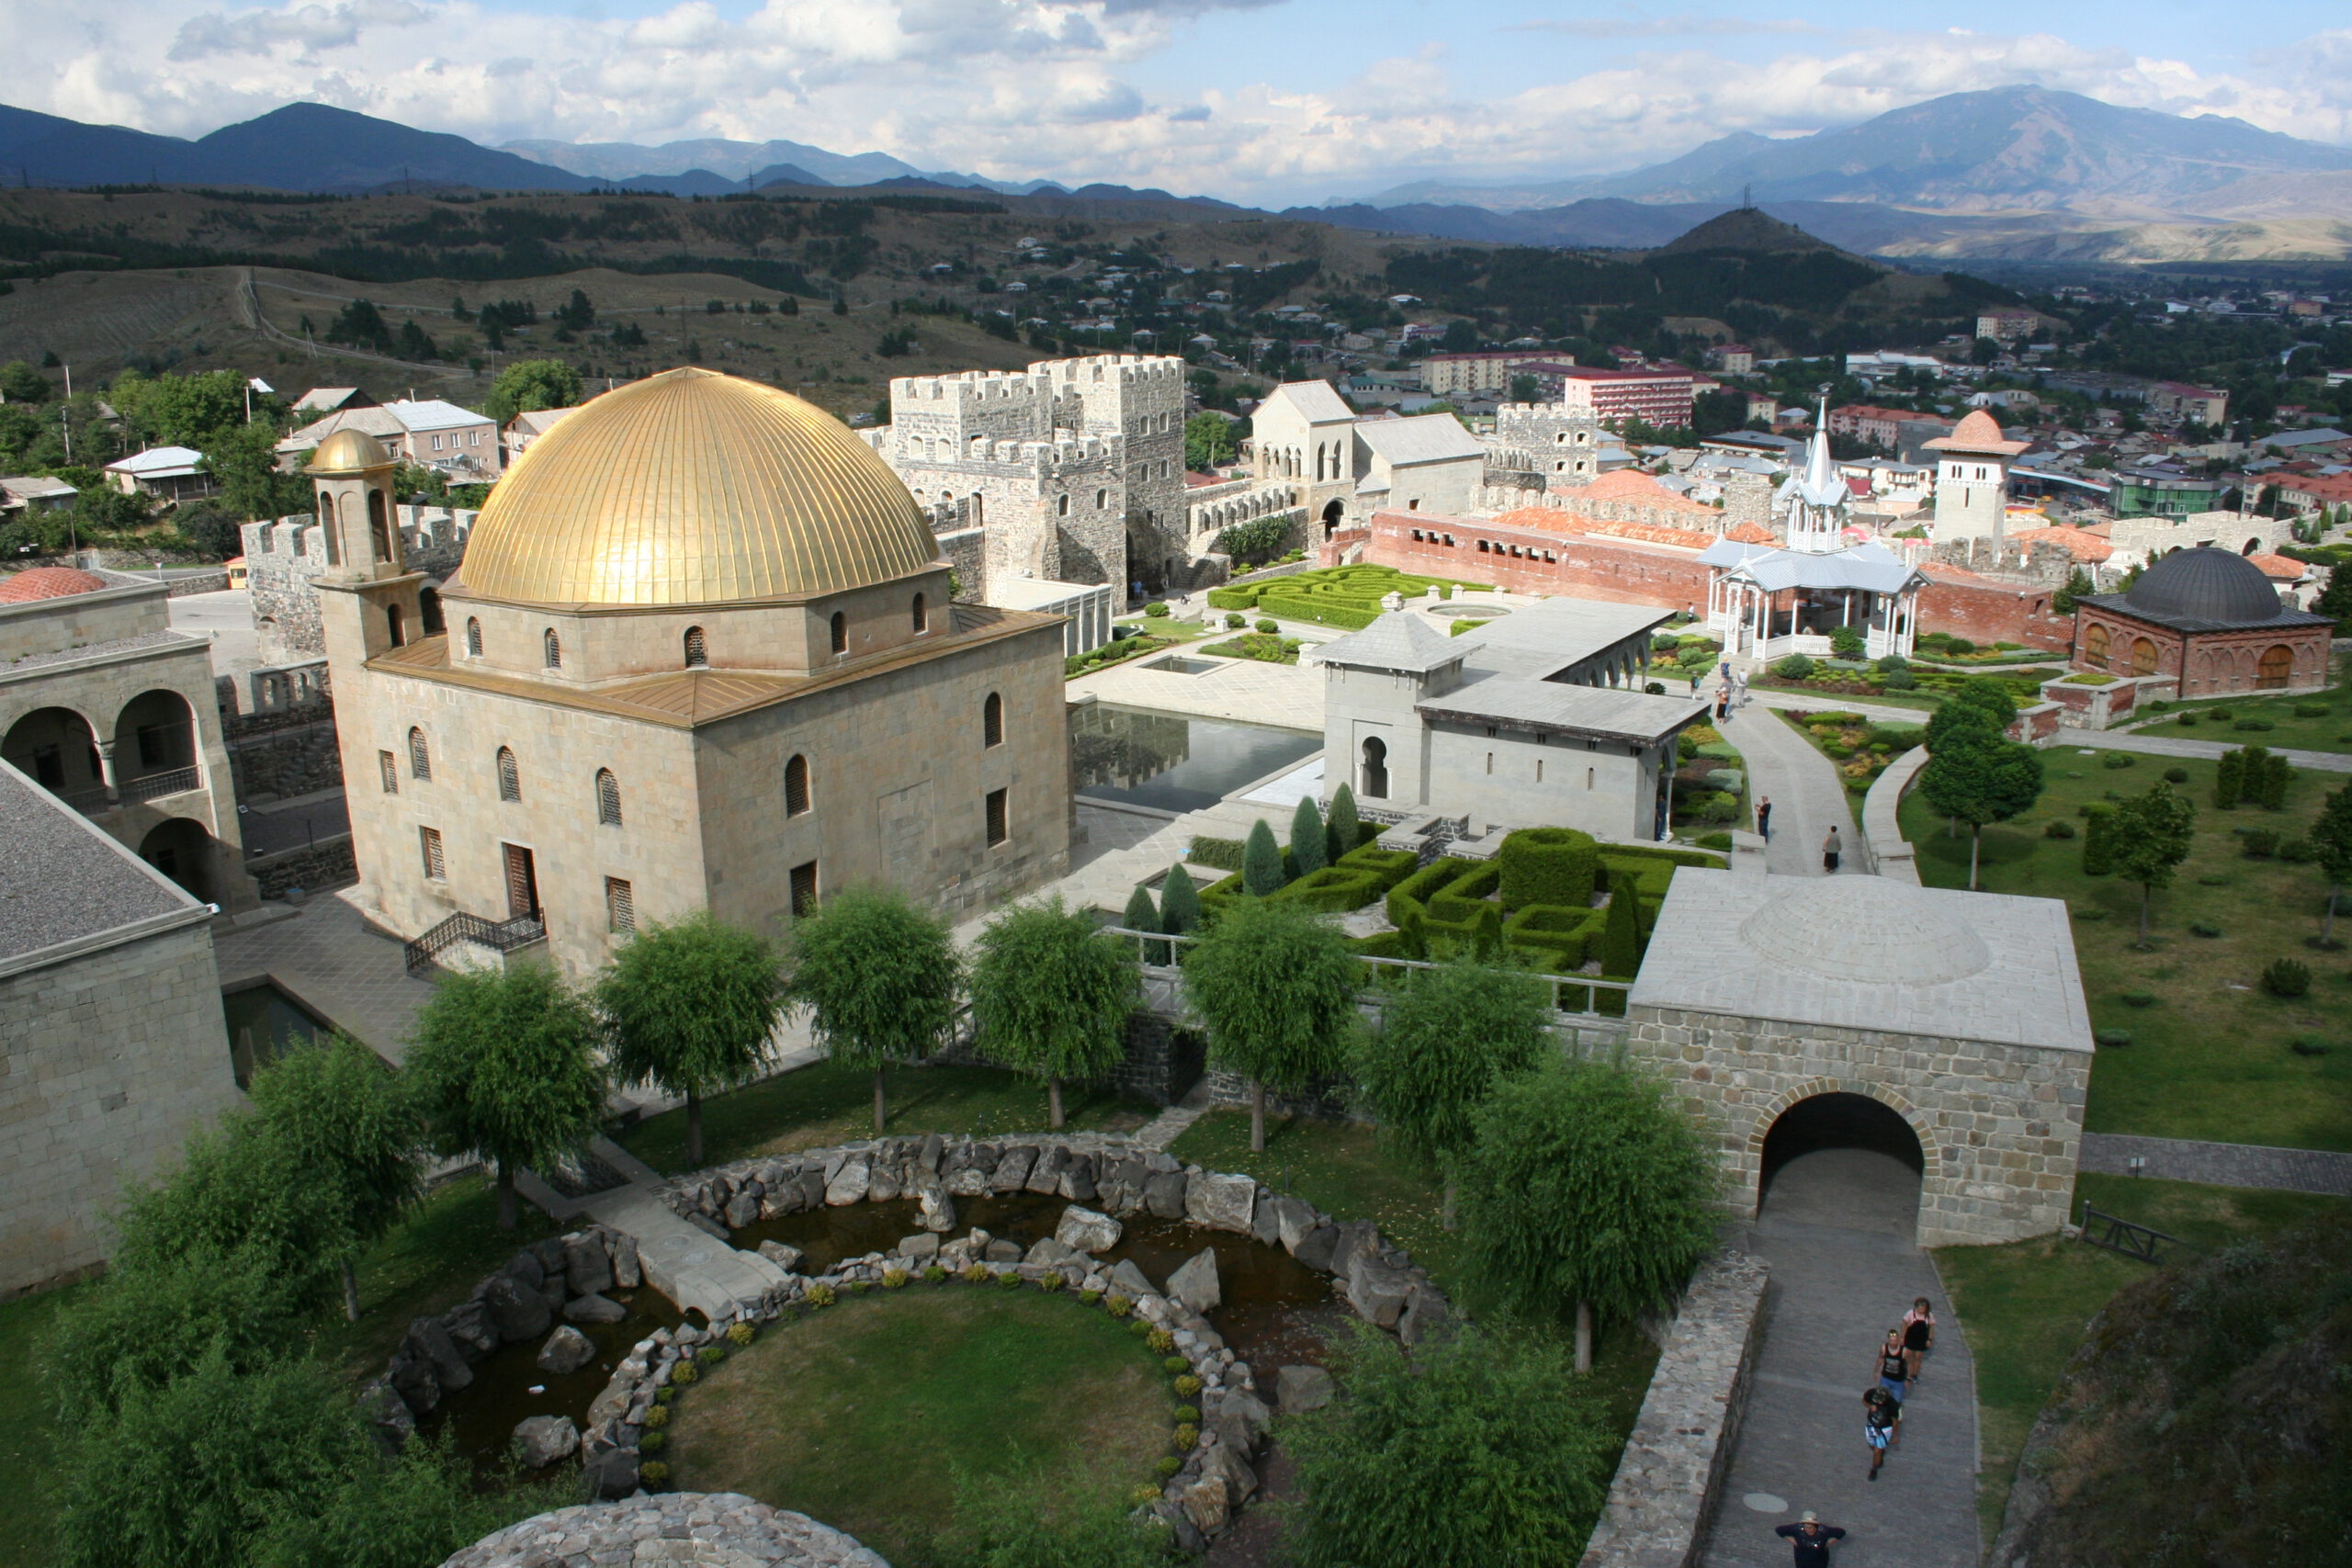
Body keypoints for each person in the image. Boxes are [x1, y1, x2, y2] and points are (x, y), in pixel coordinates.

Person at [1775, 1512, 1846, 1566]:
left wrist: (1829, 1543)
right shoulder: (1797, 1529)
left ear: (1815, 1526)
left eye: (1810, 1527)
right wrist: (1792, 1540)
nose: (1808, 1529)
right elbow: (1779, 1530)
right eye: (1806, 1527)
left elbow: (1841, 1532)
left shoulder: (1824, 1531)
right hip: (1802, 1561)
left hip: (1819, 1562)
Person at [1863, 1385, 1901, 1480]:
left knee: (1877, 1451)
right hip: (1871, 1425)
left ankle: (1874, 1469)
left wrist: (1895, 1436)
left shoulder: (1892, 1404)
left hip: (1885, 1429)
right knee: (1871, 1445)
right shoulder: (1871, 1393)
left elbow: (1895, 1421)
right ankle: (1879, 1454)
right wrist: (1870, 1406)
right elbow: (1864, 1400)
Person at [1902, 1297, 1936, 1382]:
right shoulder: (1910, 1313)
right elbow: (1904, 1325)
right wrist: (1902, 1337)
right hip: (1910, 1338)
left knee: (1918, 1357)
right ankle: (1908, 1373)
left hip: (1921, 1339)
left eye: (1923, 1307)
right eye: (1919, 1306)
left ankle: (1915, 1375)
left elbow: (1931, 1328)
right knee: (1908, 1356)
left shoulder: (1929, 1316)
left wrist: (1929, 1339)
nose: (1921, 1308)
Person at [1875, 1327, 1910, 1404]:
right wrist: (1877, 1371)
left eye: (1895, 1340)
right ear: (1888, 1340)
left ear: (1898, 1340)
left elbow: (1909, 1364)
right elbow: (1880, 1359)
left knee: (1896, 1401)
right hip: (1886, 1378)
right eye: (1891, 1340)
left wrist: (1908, 1378)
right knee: (1881, 1399)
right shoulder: (1884, 1348)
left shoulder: (1904, 1351)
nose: (1893, 1343)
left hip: (1898, 1380)